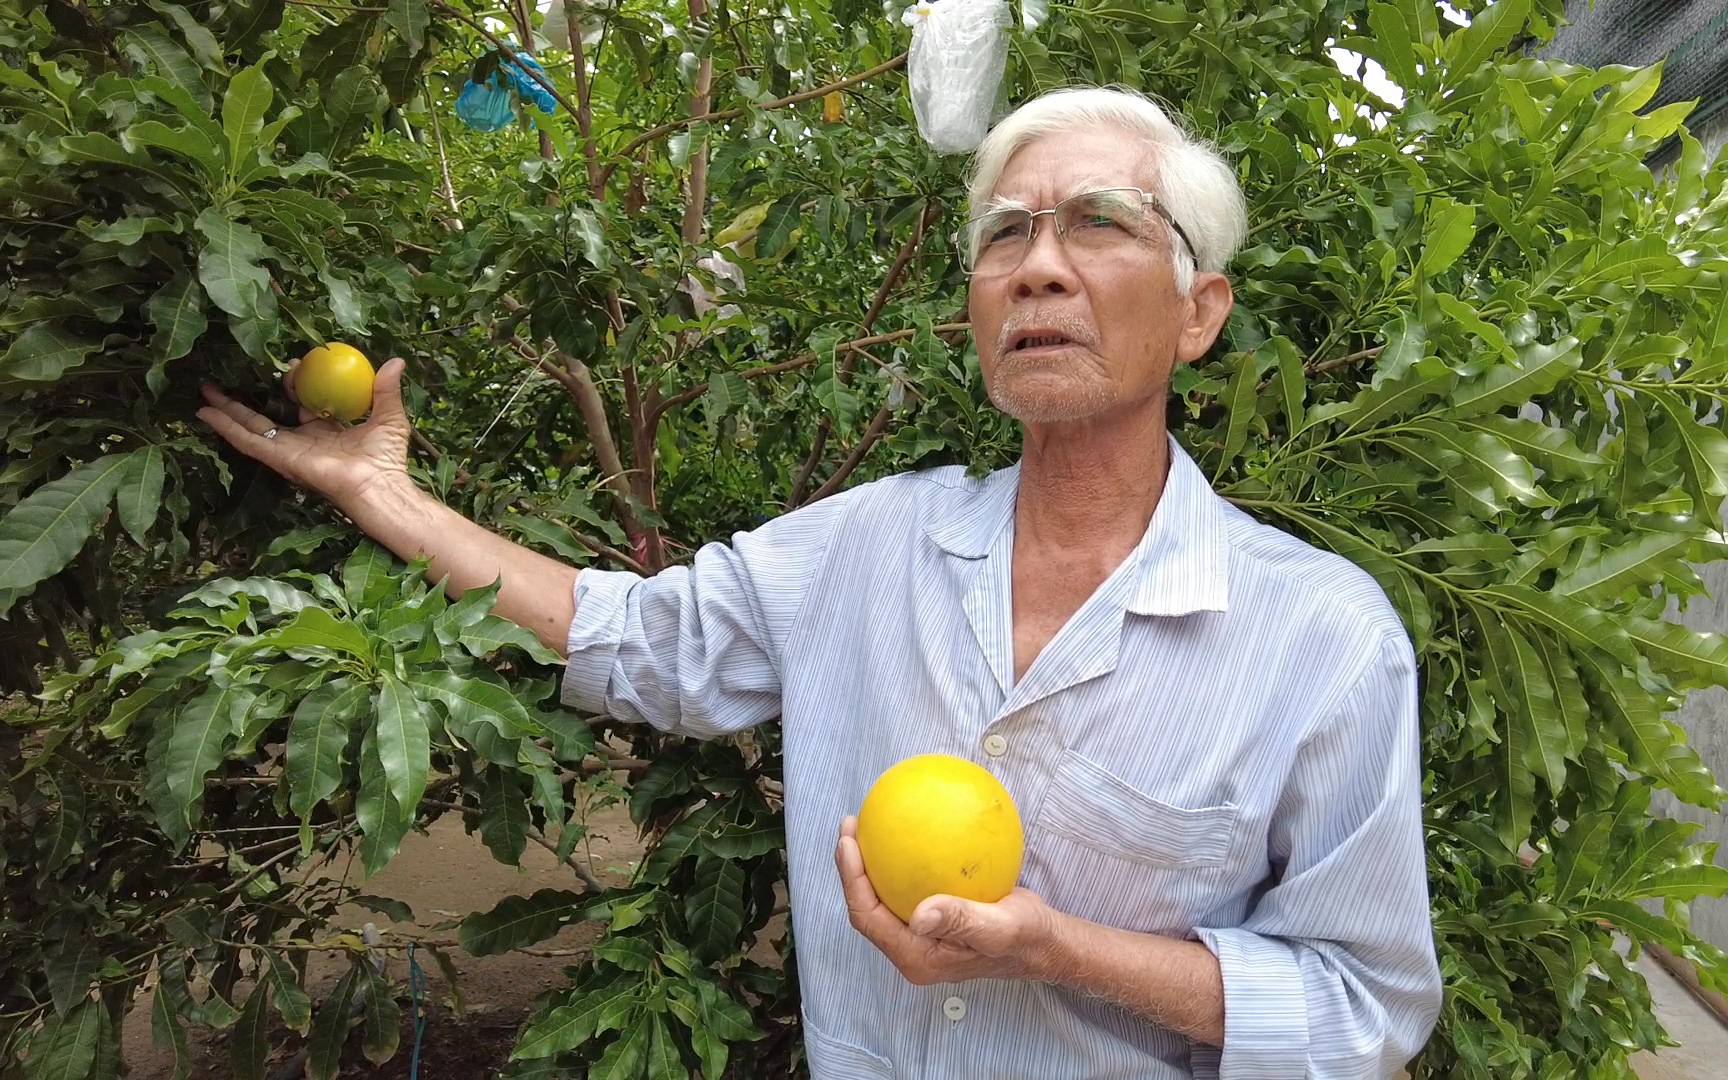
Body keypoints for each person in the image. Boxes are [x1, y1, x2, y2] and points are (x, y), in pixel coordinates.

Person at [201, 87, 1442, 1079]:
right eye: (1004, 233)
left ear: (1198, 311)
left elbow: (1362, 1012)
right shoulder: (863, 547)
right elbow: (628, 640)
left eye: (1100, 223)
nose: (1038, 268)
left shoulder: (1323, 640)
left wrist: (1064, 949)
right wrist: (382, 493)